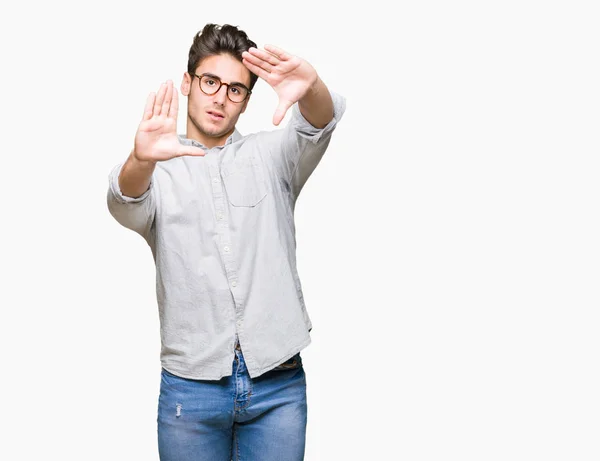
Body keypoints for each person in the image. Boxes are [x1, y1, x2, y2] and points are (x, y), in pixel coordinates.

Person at [107, 23, 345, 461]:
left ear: (247, 102)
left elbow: (318, 123)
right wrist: (140, 159)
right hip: (191, 391)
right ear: (188, 82)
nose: (220, 96)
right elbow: (125, 202)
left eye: (236, 89)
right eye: (211, 81)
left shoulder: (271, 157)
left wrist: (311, 85)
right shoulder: (156, 169)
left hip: (278, 386)